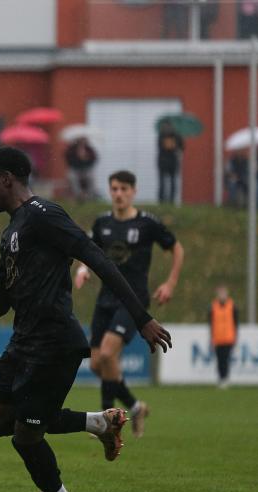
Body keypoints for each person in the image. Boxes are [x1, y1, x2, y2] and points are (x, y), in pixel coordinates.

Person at [0, 147, 171, 492]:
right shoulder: (11, 233)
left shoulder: (44, 215)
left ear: (6, 180)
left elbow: (98, 259)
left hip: (55, 343)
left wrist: (142, 318)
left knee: (26, 436)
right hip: (22, 342)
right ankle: (98, 423)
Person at [75, 170, 183, 438]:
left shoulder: (147, 223)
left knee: (108, 354)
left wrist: (170, 283)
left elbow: (177, 248)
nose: (119, 194)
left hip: (133, 300)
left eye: (124, 189)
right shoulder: (102, 223)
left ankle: (105, 421)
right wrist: (83, 269)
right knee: (97, 364)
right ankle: (136, 407)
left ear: (133, 192)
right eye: (114, 189)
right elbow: (86, 251)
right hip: (105, 299)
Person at [209, 286, 238, 389]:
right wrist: (211, 337)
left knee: (226, 359)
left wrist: (235, 337)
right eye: (220, 293)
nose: (222, 295)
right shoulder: (213, 306)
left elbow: (235, 323)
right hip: (217, 338)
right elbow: (211, 323)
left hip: (228, 337)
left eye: (223, 293)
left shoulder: (232, 306)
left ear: (227, 294)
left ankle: (225, 379)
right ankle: (221, 378)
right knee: (219, 360)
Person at [157, 122, 184, 204]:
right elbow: (182, 148)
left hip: (165, 161)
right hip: (171, 161)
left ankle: (162, 200)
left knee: (164, 182)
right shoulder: (176, 135)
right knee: (170, 182)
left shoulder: (161, 135)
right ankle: (170, 200)